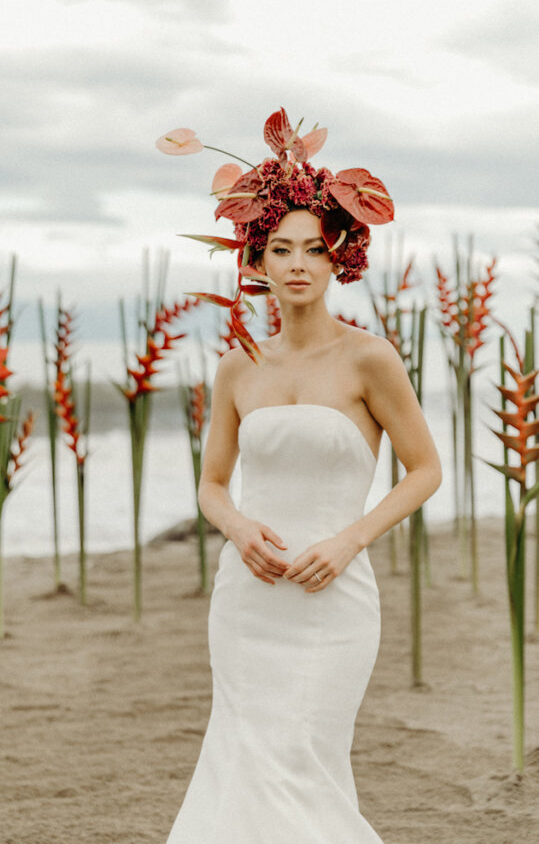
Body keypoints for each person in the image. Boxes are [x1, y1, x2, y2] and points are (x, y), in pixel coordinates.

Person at [156, 108, 442, 843]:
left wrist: (348, 542)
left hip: (331, 596)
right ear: (253, 263)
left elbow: (424, 470)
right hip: (247, 600)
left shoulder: (368, 358)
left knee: (303, 761)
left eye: (313, 250)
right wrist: (239, 527)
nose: (295, 265)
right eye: (278, 249)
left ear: (337, 257)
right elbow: (212, 485)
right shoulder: (236, 368)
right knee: (244, 758)